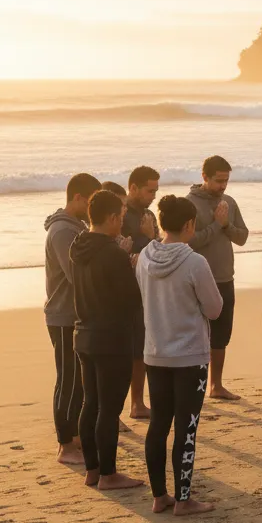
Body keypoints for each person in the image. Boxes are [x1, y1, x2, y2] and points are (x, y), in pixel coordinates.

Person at [137, 194, 223, 516]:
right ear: (189, 224)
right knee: (186, 427)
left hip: (155, 352)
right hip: (189, 356)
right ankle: (183, 498)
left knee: (158, 424)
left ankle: (160, 496)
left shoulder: (144, 257)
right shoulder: (194, 262)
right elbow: (214, 309)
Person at [70, 189, 145, 490]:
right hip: (111, 337)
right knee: (109, 408)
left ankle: (93, 469)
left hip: (84, 333)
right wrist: (131, 266)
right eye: (121, 217)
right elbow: (132, 300)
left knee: (91, 403)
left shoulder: (78, 246)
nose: (122, 223)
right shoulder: (112, 253)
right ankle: (109, 474)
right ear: (112, 217)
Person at [44, 172, 102, 465]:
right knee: (67, 380)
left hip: (75, 315)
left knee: (79, 381)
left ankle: (75, 437)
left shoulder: (75, 227)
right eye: (91, 202)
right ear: (78, 197)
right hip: (63, 316)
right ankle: (65, 445)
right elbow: (75, 274)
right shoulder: (62, 232)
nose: (93, 210)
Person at [187, 155, 249, 401]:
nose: (223, 185)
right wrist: (216, 224)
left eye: (226, 180)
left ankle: (216, 385)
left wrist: (225, 226)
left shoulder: (229, 202)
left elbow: (242, 237)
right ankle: (196, 386)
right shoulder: (189, 204)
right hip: (197, 280)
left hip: (225, 278)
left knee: (221, 335)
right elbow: (189, 241)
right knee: (197, 336)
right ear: (204, 177)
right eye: (218, 180)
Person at [122, 166, 161, 419]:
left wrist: (151, 237)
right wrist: (146, 237)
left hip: (146, 288)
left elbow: (157, 249)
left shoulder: (148, 214)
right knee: (129, 349)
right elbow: (123, 250)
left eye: (156, 191)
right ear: (133, 188)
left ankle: (137, 401)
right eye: (149, 191)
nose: (153, 196)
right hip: (124, 288)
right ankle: (132, 403)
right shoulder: (121, 214)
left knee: (142, 347)